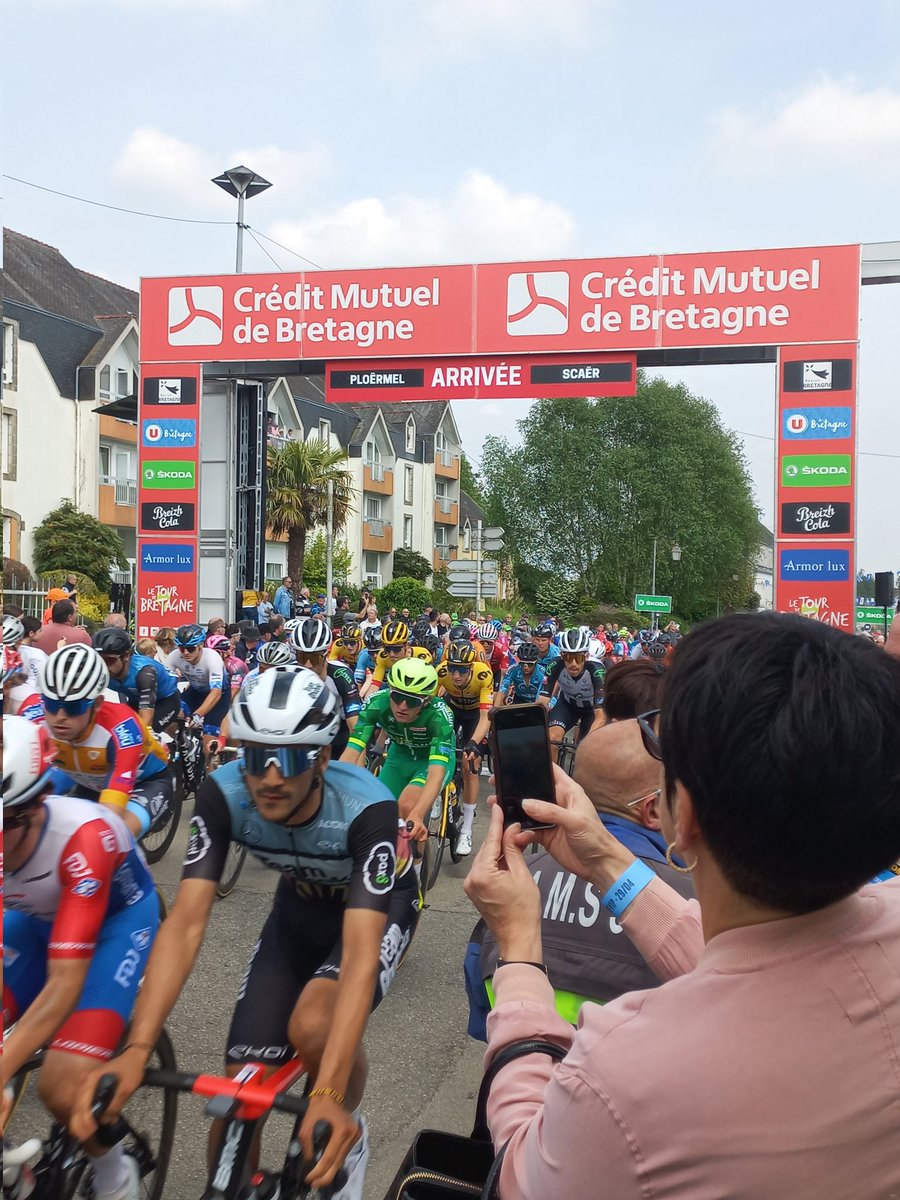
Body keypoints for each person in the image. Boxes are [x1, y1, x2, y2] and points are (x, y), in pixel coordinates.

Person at [465, 612, 900, 1199]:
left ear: (680, 815)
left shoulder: (624, 1078)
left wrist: (519, 948)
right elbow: (759, 967)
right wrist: (605, 861)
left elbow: (520, 1177)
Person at [72, 668, 421, 1198]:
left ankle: (346, 1134)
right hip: (299, 904)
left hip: (380, 904)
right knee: (240, 1088)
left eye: (293, 756)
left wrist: (324, 1091)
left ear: (324, 758)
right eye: (256, 755)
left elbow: (359, 950)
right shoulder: (223, 794)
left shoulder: (366, 808)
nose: (271, 777)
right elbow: (186, 925)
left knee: (312, 1026)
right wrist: (137, 1046)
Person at [1, 716, 159, 1200]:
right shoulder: (15, 827)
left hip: (116, 922)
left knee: (62, 1087)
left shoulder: (83, 838)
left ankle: (116, 1179)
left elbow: (65, 982)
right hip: (36, 918)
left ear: (29, 809)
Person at [469, 719, 695, 1034]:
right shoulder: (692, 900)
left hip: (522, 1060)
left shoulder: (511, 885)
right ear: (654, 809)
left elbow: (480, 1000)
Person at [40, 644, 174, 841]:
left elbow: (112, 808)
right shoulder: (38, 721)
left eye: (73, 707)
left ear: (97, 704)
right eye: (51, 704)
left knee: (108, 839)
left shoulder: (121, 728)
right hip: (89, 778)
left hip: (146, 782)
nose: (59, 717)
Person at [341, 658, 455, 847]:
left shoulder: (439, 716)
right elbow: (352, 751)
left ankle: (415, 871)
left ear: (426, 700)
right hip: (399, 756)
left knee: (408, 806)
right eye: (396, 697)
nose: (402, 706)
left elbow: (436, 773)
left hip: (429, 761)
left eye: (411, 701)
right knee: (377, 810)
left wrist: (417, 816)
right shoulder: (377, 703)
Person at [436, 640, 495, 855]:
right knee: (439, 752)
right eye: (452, 668)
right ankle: (436, 794)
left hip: (474, 716)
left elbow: (485, 716)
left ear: (471, 668)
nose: (456, 675)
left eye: (461, 670)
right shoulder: (441, 672)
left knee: (470, 763)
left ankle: (467, 830)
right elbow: (431, 706)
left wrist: (473, 743)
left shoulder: (483, 675)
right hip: (452, 710)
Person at [93, 627, 181, 731]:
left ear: (125, 656)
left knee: (144, 732)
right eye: (99, 660)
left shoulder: (144, 672)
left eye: (109, 660)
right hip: (137, 697)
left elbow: (145, 723)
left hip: (166, 700)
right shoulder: (99, 671)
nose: (103, 666)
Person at [166, 623, 231, 756]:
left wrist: (197, 715)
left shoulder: (212, 658)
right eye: (181, 648)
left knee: (209, 747)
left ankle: (209, 772)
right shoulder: (174, 656)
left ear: (201, 646)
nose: (185, 653)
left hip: (218, 697)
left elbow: (216, 692)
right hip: (195, 692)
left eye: (190, 648)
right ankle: (186, 746)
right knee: (171, 720)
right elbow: (167, 687)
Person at [543, 627, 605, 758]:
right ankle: (553, 777)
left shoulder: (597, 670)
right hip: (567, 705)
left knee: (588, 749)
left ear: (586, 656)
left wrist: (588, 741)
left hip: (592, 709)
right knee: (552, 739)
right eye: (569, 657)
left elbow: (600, 716)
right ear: (561, 656)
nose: (573, 663)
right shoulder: (554, 665)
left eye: (579, 658)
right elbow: (542, 701)